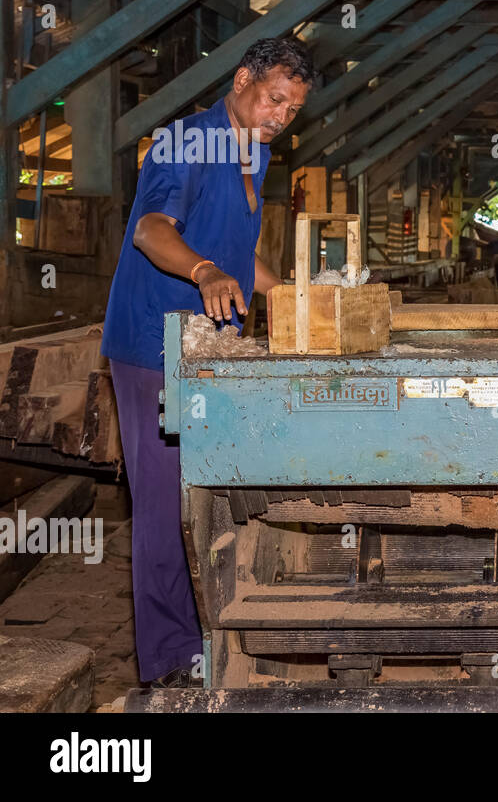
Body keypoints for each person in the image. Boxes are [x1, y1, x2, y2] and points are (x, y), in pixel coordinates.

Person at [100, 37, 314, 688]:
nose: (281, 114)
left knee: (214, 494)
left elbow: (234, 248)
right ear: (243, 78)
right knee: (165, 503)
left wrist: (285, 297)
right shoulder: (187, 142)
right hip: (155, 346)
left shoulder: (258, 151)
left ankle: (218, 634)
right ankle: (169, 663)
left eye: (294, 107)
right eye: (274, 97)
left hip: (210, 347)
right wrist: (202, 271)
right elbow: (151, 231)